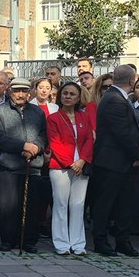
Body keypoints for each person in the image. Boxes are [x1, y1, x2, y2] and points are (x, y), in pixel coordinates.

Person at [0, 78, 47, 253]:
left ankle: (29, 240)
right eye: (16, 91)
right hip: (9, 166)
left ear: (29, 93)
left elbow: (44, 133)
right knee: (9, 206)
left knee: (32, 206)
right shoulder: (0, 111)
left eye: (24, 91)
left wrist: (35, 147)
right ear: (10, 92)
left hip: (33, 165)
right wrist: (22, 146)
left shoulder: (37, 112)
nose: (20, 94)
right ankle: (8, 239)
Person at [92, 65, 139, 257]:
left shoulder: (120, 97)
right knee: (105, 204)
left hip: (123, 162)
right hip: (111, 161)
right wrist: (138, 154)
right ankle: (101, 241)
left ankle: (123, 241)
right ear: (132, 80)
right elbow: (122, 133)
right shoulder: (114, 99)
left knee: (125, 204)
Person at [47, 81, 93, 256]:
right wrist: (70, 163)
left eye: (72, 94)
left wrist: (82, 161)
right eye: (65, 93)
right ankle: (61, 243)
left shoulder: (84, 117)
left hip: (81, 165)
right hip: (60, 167)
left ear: (78, 97)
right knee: (60, 204)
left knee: (78, 204)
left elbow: (89, 139)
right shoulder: (53, 118)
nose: (68, 96)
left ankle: (78, 244)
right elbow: (54, 143)